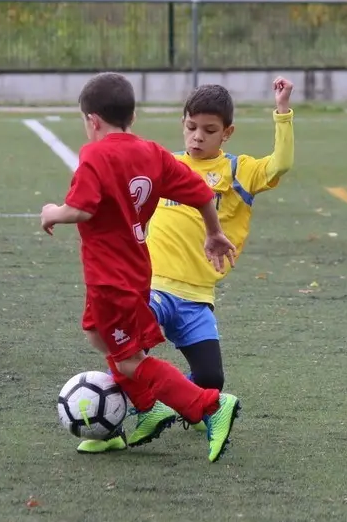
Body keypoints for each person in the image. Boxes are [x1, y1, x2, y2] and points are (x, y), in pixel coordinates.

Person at [39, 72, 241, 463]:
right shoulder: (153, 153)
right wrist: (214, 232)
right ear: (132, 116)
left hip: (110, 278)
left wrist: (52, 212)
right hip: (134, 269)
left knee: (129, 360)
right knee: (97, 334)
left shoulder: (95, 154)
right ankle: (148, 408)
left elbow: (80, 209)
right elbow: (200, 192)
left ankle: (209, 405)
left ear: (92, 120)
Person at [123, 77, 294, 442]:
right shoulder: (166, 164)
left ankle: (168, 406)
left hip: (198, 297)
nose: (197, 137)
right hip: (154, 286)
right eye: (191, 127)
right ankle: (113, 420)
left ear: (227, 133)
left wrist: (282, 111)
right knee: (128, 352)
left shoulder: (238, 171)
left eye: (209, 130)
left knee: (211, 379)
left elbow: (280, 164)